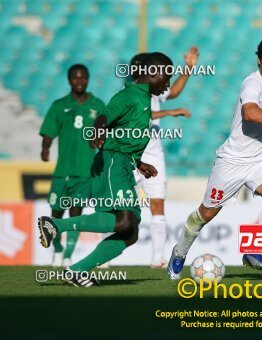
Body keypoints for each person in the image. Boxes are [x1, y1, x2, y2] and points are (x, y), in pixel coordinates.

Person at [167, 36, 262, 279]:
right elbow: (250, 113)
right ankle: (179, 252)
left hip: (261, 160)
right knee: (206, 213)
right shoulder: (252, 84)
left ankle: (253, 249)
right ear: (258, 60)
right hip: (231, 161)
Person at [36, 52, 173, 286]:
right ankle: (56, 225)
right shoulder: (130, 95)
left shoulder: (144, 99)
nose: (168, 84)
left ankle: (76, 270)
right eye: (167, 77)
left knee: (130, 233)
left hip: (124, 164)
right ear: (153, 74)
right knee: (125, 222)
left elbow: (122, 133)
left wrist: (139, 164)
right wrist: (99, 131)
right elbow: (103, 116)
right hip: (112, 163)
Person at [130, 47, 198, 269]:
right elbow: (141, 115)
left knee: (158, 204)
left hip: (154, 155)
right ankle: (105, 258)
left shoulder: (155, 91)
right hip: (130, 155)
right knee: (117, 206)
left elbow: (174, 92)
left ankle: (157, 258)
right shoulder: (130, 95)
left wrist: (188, 68)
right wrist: (169, 112)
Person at [39, 64, 106, 267]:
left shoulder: (98, 105)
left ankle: (68, 255)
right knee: (57, 213)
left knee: (76, 212)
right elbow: (49, 131)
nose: (79, 81)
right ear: (69, 80)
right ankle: (57, 250)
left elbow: (105, 127)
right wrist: (45, 148)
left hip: (85, 173)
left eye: (83, 77)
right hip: (62, 172)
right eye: (76, 77)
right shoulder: (59, 105)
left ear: (88, 79)